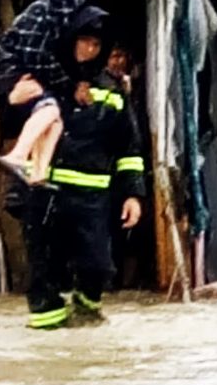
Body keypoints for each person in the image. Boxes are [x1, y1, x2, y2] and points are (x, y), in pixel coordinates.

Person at [21, 69, 148, 330]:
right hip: (44, 194)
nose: (89, 49)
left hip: (92, 198)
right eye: (83, 42)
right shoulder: (45, 82)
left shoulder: (113, 95)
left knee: (98, 267)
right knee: (45, 273)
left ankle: (86, 312)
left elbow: (129, 150)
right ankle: (48, 339)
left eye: (95, 44)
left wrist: (133, 195)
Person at [0, 0, 109, 186]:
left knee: (55, 119)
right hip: (6, 72)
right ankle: (18, 156)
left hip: (22, 72)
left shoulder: (59, 17)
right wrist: (67, 85)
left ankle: (39, 173)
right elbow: (35, 56)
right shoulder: (42, 13)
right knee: (48, 107)